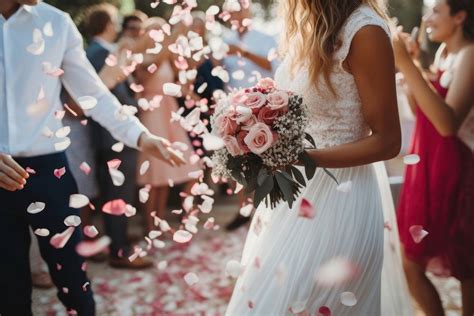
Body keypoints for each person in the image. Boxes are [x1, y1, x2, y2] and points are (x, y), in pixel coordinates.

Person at [226, 0, 413, 315]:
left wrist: (300, 157)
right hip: (296, 196)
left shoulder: (364, 30)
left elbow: (387, 141)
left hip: (341, 200)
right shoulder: (312, 28)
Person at [0, 1, 184, 315]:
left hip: (49, 169)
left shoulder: (56, 22)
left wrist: (140, 135)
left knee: (73, 277)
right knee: (8, 288)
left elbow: (93, 93)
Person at [393, 0, 474, 315]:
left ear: (459, 16)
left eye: (436, 11)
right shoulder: (446, 55)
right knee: (411, 262)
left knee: (467, 265)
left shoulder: (471, 54)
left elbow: (448, 123)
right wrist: (414, 65)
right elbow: (423, 113)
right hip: (435, 166)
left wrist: (407, 65)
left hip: (463, 171)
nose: (427, 18)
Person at [83, 4, 152, 269]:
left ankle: (120, 238)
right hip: (113, 136)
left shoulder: (98, 51)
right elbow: (107, 96)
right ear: (109, 25)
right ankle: (119, 251)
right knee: (117, 194)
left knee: (117, 192)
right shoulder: (100, 53)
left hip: (111, 136)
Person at [135, 18, 202, 233]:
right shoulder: (143, 57)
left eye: (161, 31)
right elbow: (145, 77)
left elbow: (185, 74)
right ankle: (148, 224)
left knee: (165, 175)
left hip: (169, 112)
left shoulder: (167, 57)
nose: (158, 35)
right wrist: (171, 40)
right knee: (153, 172)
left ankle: (158, 222)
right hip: (152, 113)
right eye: (154, 31)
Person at [222, 1, 279, 231]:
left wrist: (244, 53)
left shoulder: (265, 37)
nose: (235, 14)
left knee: (265, 160)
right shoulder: (225, 39)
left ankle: (268, 210)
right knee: (238, 161)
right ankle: (243, 209)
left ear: (248, 11)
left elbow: (274, 67)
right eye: (231, 10)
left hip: (262, 106)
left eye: (239, 9)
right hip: (233, 108)